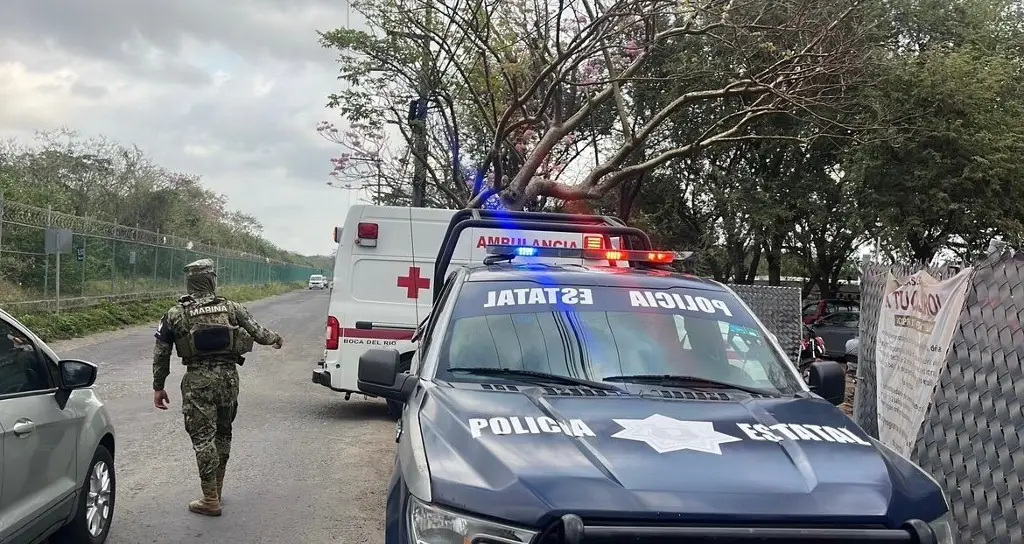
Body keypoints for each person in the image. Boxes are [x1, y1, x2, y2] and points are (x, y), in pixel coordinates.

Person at [152, 258, 284, 517]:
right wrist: (276, 339)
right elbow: (260, 334)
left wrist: (159, 386)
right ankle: (217, 491)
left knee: (203, 439)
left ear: (190, 282)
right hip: (228, 380)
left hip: (198, 383)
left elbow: (161, 353)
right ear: (212, 280)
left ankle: (210, 498)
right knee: (223, 434)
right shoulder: (232, 308)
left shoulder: (175, 314)